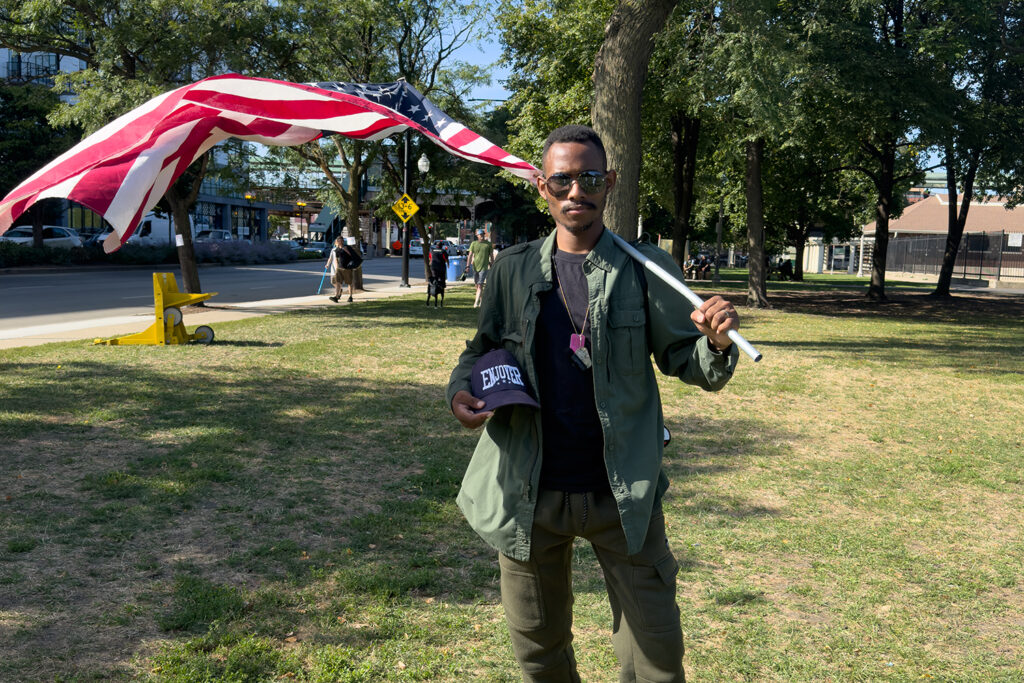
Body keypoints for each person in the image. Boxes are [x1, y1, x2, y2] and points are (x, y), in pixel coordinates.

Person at [447, 124, 741, 682]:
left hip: (622, 496)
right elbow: (480, 352)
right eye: (561, 179)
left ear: (608, 183)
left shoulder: (646, 270)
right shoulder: (511, 270)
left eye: (587, 178)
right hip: (529, 494)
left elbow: (688, 360)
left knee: (654, 658)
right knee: (539, 654)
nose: (575, 191)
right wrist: (462, 393)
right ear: (542, 187)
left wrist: (716, 342)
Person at [326, 236, 362, 303]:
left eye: (341, 240)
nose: (340, 242)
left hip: (347, 268)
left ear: (343, 241)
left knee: (349, 283)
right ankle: (336, 297)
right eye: (338, 240)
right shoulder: (336, 249)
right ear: (337, 241)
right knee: (338, 282)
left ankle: (350, 296)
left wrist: (346, 251)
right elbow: (336, 259)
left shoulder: (347, 247)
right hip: (339, 268)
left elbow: (353, 256)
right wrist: (335, 267)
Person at [467, 228, 495, 308]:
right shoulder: (474, 244)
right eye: (480, 234)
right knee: (477, 286)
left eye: (483, 234)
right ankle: (482, 301)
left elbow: (491, 256)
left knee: (480, 285)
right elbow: (470, 255)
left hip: (484, 267)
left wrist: (492, 265)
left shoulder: (488, 244)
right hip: (475, 267)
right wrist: (468, 266)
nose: (482, 235)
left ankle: (476, 303)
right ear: (477, 236)